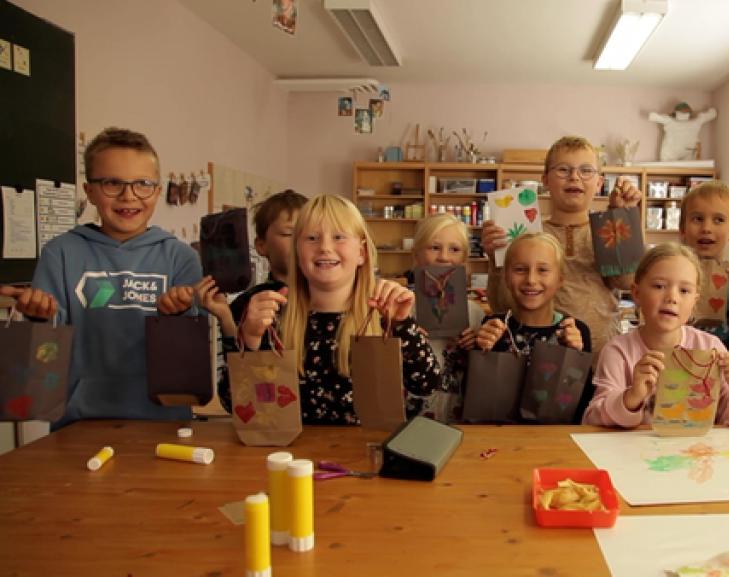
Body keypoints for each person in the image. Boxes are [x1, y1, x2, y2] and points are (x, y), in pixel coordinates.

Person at [27, 127, 202, 425]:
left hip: (165, 422)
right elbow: (45, 356)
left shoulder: (180, 257)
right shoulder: (61, 253)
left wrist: (179, 315)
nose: (129, 196)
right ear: (90, 191)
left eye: (142, 184)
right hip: (78, 423)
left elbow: (192, 355)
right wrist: (38, 319)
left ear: (158, 191)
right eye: (112, 183)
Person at [227, 195, 441, 425]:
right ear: (297, 253)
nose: (325, 248)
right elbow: (233, 404)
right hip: (293, 457)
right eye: (311, 238)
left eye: (338, 237)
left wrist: (402, 325)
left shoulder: (385, 314)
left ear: (362, 252)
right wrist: (250, 340)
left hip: (369, 453)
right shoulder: (272, 316)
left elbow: (427, 385)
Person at [482, 136, 641, 357]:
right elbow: (502, 305)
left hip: (601, 358)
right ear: (545, 180)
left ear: (599, 183)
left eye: (586, 170)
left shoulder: (608, 228)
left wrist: (620, 218)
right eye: (563, 170)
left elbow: (626, 282)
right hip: (538, 359)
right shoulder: (528, 236)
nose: (574, 177)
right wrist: (496, 260)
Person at [583, 243, 729, 428]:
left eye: (684, 291)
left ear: (694, 301)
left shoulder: (710, 348)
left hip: (698, 453)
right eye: (659, 286)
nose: (672, 297)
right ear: (637, 293)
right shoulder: (618, 352)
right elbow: (592, 420)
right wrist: (632, 396)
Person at [161, 190, 308, 411]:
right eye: (289, 234)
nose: (301, 242)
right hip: (272, 422)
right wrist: (226, 318)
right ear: (261, 246)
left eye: (310, 235)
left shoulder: (328, 298)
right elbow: (237, 395)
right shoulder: (247, 303)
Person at [475, 233, 592, 421]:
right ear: (506, 276)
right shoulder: (493, 326)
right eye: (520, 269)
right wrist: (480, 349)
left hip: (553, 441)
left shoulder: (575, 331)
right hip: (499, 440)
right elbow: (474, 397)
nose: (531, 279)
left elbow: (585, 406)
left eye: (543, 270)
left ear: (560, 279)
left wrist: (576, 354)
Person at [408, 213, 486, 422]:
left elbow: (483, 374)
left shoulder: (476, 314)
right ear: (416, 256)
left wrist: (476, 346)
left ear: (464, 260)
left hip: (457, 414)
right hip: (412, 415)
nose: (444, 257)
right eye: (434, 247)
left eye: (454, 249)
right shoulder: (403, 310)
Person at [678, 180, 729, 351]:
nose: (706, 228)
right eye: (697, 219)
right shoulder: (670, 275)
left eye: (718, 220)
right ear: (682, 229)